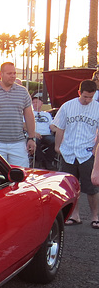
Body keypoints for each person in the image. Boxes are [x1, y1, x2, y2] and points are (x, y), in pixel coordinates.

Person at [52, 79, 99, 227]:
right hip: (68, 151)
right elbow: (60, 127)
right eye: (85, 96)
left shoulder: (97, 108)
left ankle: (95, 217)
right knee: (71, 187)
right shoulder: (68, 106)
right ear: (79, 92)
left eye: (90, 97)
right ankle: (74, 215)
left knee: (91, 187)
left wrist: (95, 149)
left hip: (87, 152)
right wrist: (57, 147)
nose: (87, 100)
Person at [32, 95, 56, 169]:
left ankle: (47, 161)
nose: (35, 104)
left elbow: (51, 126)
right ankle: (43, 162)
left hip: (47, 135)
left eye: (37, 102)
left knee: (55, 141)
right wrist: (33, 133)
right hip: (34, 134)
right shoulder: (30, 113)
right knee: (36, 143)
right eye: (33, 102)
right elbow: (25, 126)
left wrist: (60, 131)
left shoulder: (47, 114)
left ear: (41, 103)